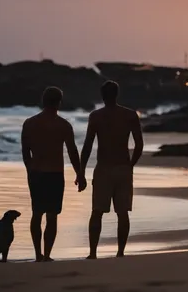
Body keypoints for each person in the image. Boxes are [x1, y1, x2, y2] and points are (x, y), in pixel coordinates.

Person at [21, 86, 87, 262]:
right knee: (52, 216)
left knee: (37, 214)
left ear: (43, 101)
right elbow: (73, 152)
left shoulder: (29, 123)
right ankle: (47, 254)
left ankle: (37, 254)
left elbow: (25, 151)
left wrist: (30, 169)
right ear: (59, 103)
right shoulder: (63, 125)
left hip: (36, 173)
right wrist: (79, 174)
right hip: (55, 174)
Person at [80, 80, 143, 259]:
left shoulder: (96, 116)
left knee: (97, 212)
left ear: (102, 96)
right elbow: (139, 144)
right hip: (123, 167)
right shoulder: (130, 115)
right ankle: (120, 252)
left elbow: (87, 146)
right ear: (117, 94)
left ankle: (93, 253)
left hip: (103, 168)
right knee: (122, 212)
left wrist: (81, 171)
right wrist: (130, 165)